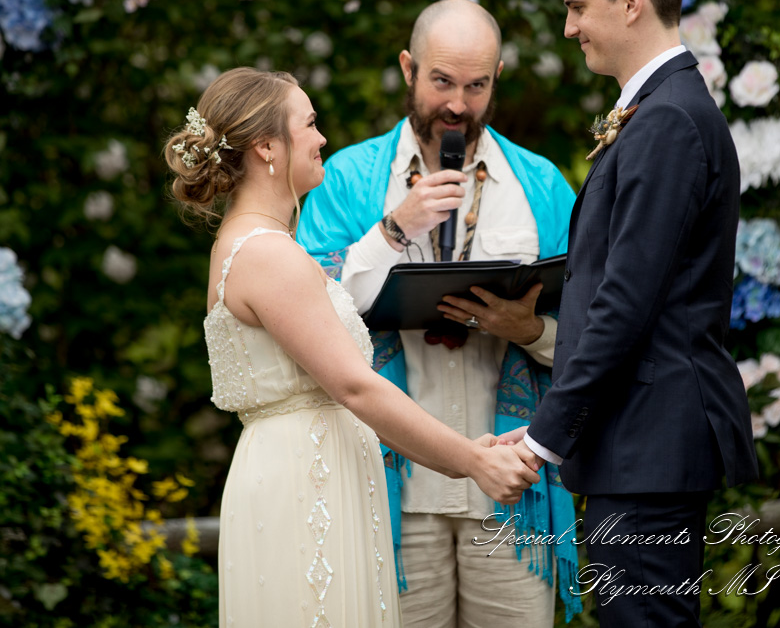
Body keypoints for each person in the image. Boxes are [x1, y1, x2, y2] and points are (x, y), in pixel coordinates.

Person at [163, 67, 540, 628]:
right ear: (267, 146)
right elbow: (354, 386)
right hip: (304, 487)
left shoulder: (250, 244)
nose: (321, 139)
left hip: (304, 473)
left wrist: (467, 447)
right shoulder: (269, 255)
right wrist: (472, 462)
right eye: (309, 124)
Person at [297, 0, 583, 627]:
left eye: (476, 86)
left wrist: (530, 331)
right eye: (442, 82)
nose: (458, 104)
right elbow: (305, 315)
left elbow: (595, 338)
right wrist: (394, 228)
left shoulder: (541, 186)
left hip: (513, 485)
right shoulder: (345, 179)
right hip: (390, 487)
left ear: (497, 77)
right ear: (408, 68)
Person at [511, 0, 759, 626]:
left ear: (629, 2)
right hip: (637, 439)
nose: (569, 27)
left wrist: (543, 435)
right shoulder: (658, 111)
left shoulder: (669, 122)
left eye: (576, 6)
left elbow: (626, 301)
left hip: (649, 441)